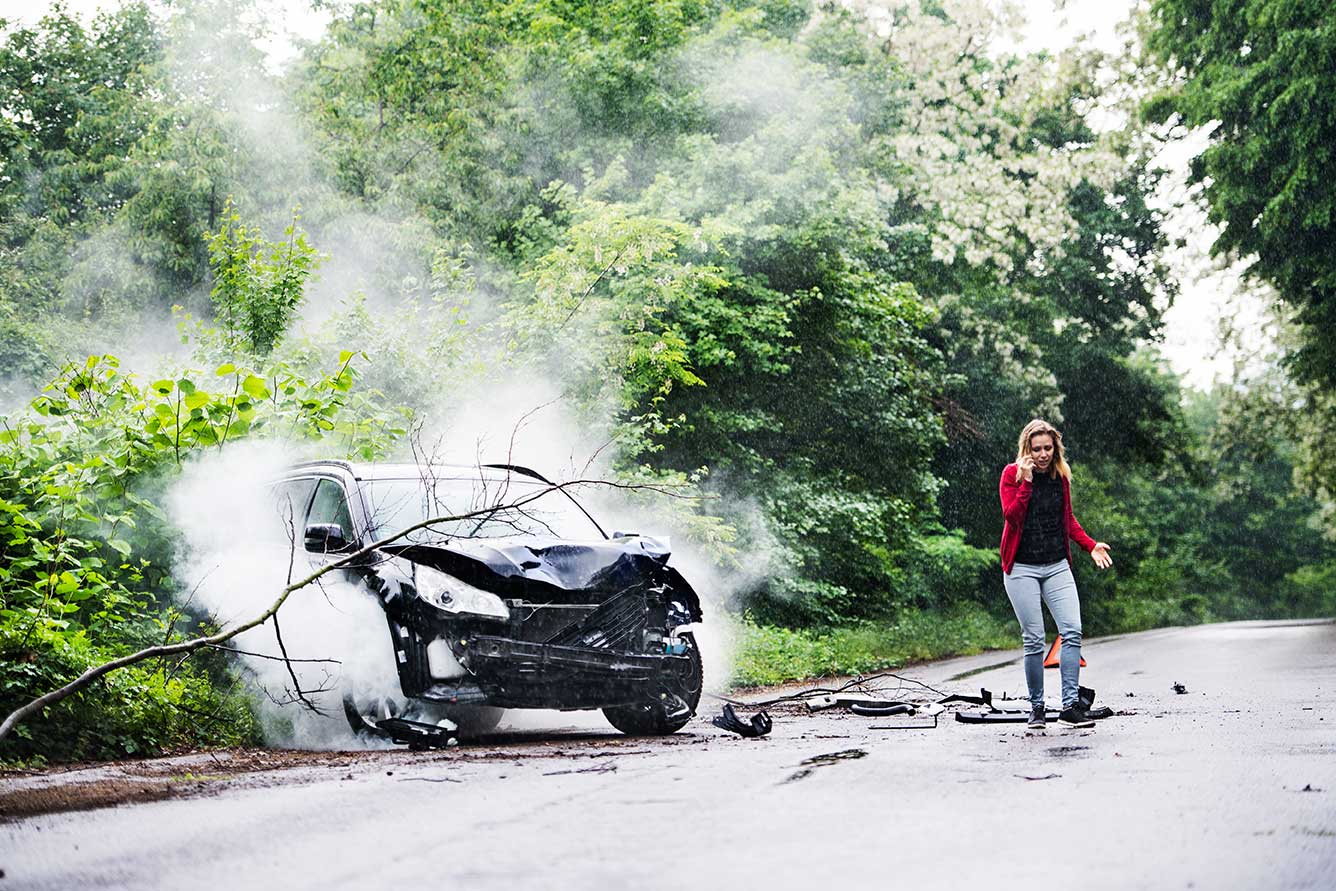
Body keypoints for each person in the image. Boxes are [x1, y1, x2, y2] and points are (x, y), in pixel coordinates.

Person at [999, 419, 1112, 729]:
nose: (1043, 454)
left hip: (1056, 564)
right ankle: (1036, 708)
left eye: (1048, 448)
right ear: (1026, 449)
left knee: (1072, 629)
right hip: (1021, 568)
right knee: (1034, 640)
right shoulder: (1012, 475)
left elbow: (1068, 519)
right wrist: (1025, 483)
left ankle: (1070, 705)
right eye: (1036, 449)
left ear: (1055, 448)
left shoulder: (1060, 477)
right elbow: (1012, 516)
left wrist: (1090, 546)